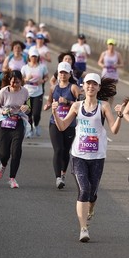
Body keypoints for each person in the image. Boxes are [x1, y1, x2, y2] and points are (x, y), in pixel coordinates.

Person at [51, 73, 123, 243]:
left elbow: (114, 130)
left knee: (92, 192)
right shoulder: (76, 106)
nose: (91, 87)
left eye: (94, 84)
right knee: (83, 189)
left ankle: (91, 204)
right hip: (79, 155)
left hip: (97, 156)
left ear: (98, 87)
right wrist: (55, 112)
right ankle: (84, 228)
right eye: (88, 84)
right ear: (83, 86)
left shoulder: (103, 106)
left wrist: (119, 116)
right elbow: (62, 126)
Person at [0, 70, 31, 189]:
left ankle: (12, 178)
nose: (15, 85)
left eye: (17, 82)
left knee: (16, 151)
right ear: (10, 81)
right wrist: (2, 111)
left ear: (21, 81)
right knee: (4, 153)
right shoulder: (4, 91)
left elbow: (29, 107)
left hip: (18, 122)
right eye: (13, 82)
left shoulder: (25, 91)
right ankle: (3, 164)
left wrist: (26, 107)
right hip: (4, 122)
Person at [47, 61, 80, 189]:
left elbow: (80, 103)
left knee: (66, 151)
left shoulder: (73, 88)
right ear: (58, 73)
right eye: (61, 72)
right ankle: (58, 178)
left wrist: (67, 102)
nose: (63, 75)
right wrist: (48, 105)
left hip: (69, 123)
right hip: (54, 122)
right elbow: (49, 101)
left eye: (65, 73)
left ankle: (63, 173)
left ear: (69, 74)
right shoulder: (53, 88)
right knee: (58, 149)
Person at [21, 48, 49, 138]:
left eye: (35, 56)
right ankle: (29, 130)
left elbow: (47, 77)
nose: (34, 58)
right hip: (27, 94)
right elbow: (20, 80)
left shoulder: (42, 67)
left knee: (36, 113)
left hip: (38, 93)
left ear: (38, 57)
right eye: (32, 56)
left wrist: (43, 80)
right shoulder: (25, 68)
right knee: (28, 112)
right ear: (29, 57)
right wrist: (26, 79)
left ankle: (36, 125)